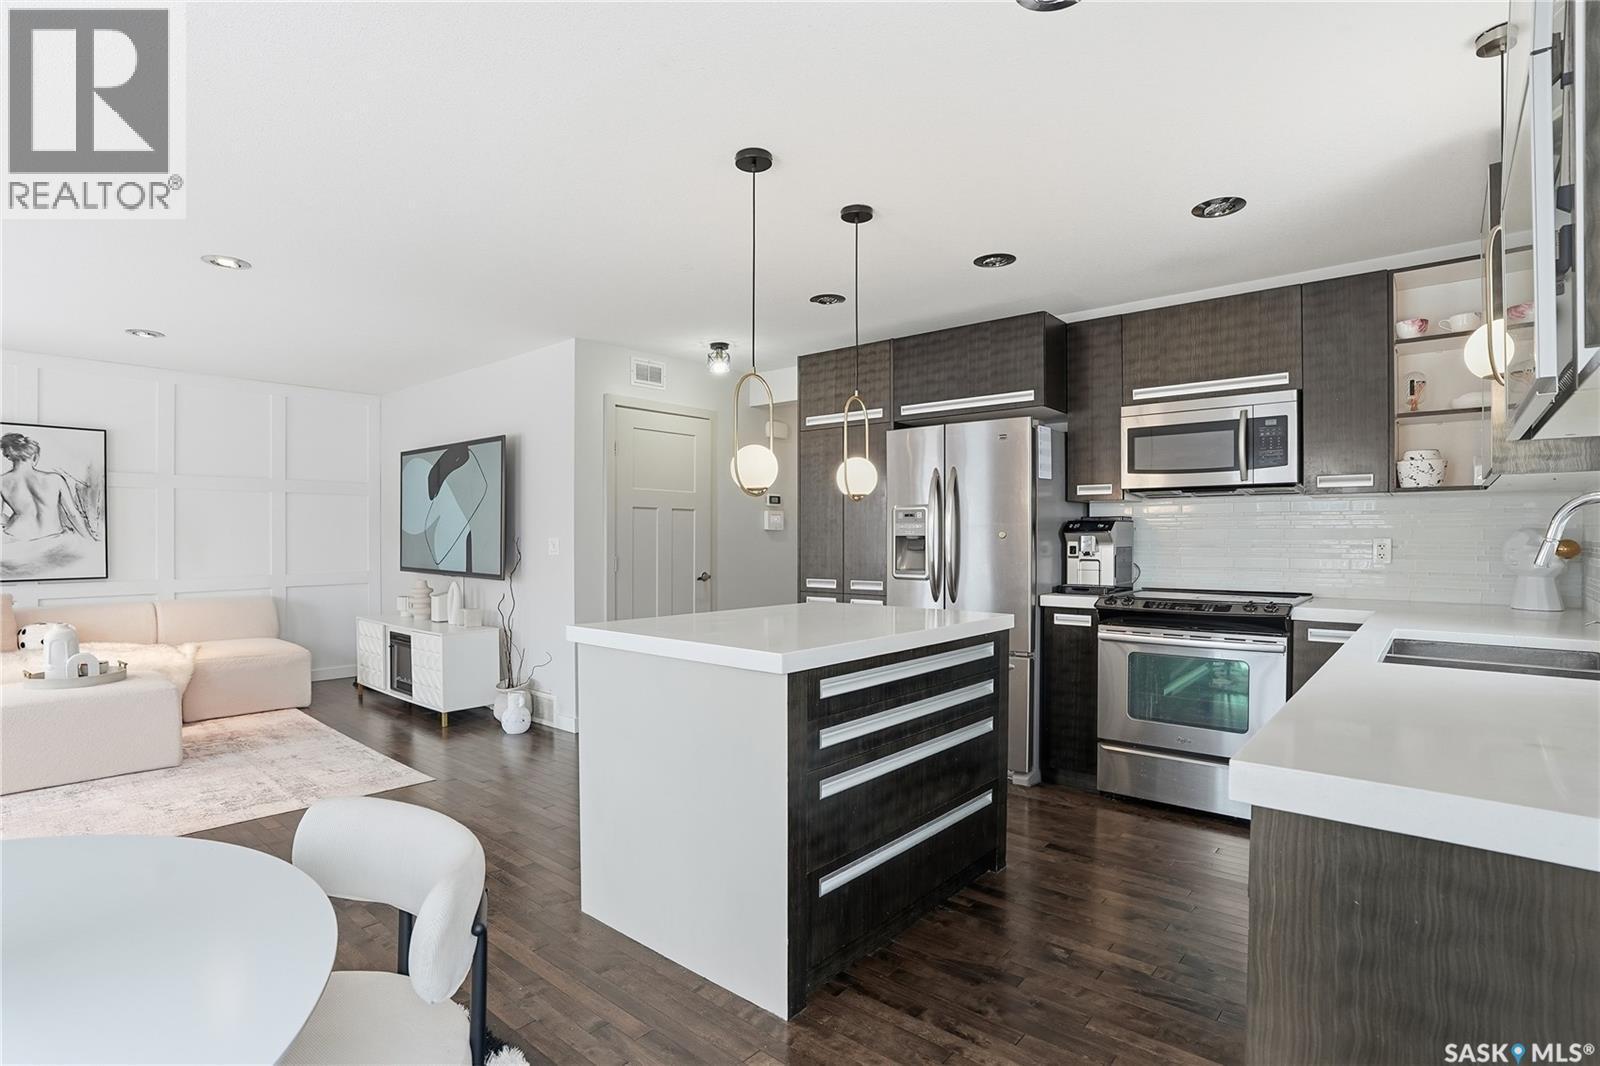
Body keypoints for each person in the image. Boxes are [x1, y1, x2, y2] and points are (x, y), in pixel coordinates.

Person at [1, 432, 98, 542]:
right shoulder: (55, 479)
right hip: (53, 537)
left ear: (9, 456)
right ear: (34, 456)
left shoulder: (2, 481)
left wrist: (14, 519)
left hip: (17, 537)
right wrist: (91, 540)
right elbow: (73, 514)